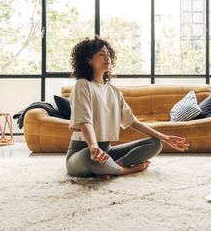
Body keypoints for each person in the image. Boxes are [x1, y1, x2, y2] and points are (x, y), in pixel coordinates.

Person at [66, 35, 189, 180]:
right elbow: (85, 121)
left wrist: (165, 138)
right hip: (82, 153)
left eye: (108, 54)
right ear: (88, 60)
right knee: (89, 156)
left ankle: (115, 165)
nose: (107, 58)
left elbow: (133, 122)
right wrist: (93, 147)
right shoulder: (83, 85)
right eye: (101, 54)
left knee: (155, 144)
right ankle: (125, 170)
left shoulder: (114, 92)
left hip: (106, 151)